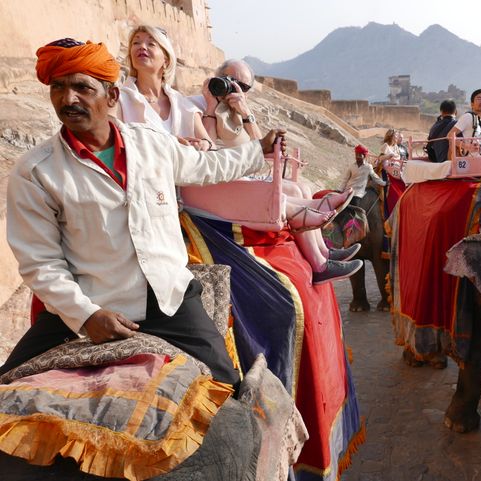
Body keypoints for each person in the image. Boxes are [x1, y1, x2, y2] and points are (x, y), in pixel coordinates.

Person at [0, 38, 288, 390]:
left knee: (226, 388)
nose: (68, 99)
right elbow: (40, 263)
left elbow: (206, 166)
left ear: (112, 97)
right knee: (8, 391)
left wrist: (257, 149)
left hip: (168, 300)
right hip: (91, 304)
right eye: (58, 87)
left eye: (81, 87)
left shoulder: (151, 143)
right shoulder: (36, 172)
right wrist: (87, 315)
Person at [194, 58, 362, 281]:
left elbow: (260, 147)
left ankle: (323, 252)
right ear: (217, 77)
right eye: (230, 81)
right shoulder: (203, 105)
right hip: (226, 181)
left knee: (302, 188)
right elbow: (208, 150)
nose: (234, 89)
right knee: (292, 192)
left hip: (247, 174)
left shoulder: (238, 109)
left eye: (242, 87)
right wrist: (211, 107)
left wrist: (245, 112)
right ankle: (319, 264)